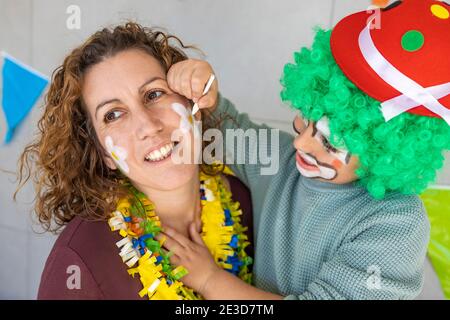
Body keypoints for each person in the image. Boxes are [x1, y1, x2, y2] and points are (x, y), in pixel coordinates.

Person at [159, 0, 450, 299]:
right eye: (305, 118)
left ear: (386, 156)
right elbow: (225, 128)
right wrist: (202, 87)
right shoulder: (283, 161)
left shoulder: (397, 223)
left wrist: (209, 281)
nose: (300, 142)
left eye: (328, 141)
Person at [15, 22, 253, 300]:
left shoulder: (244, 201)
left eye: (154, 94)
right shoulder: (78, 263)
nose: (148, 126)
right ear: (104, 152)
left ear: (192, 105)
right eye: (113, 114)